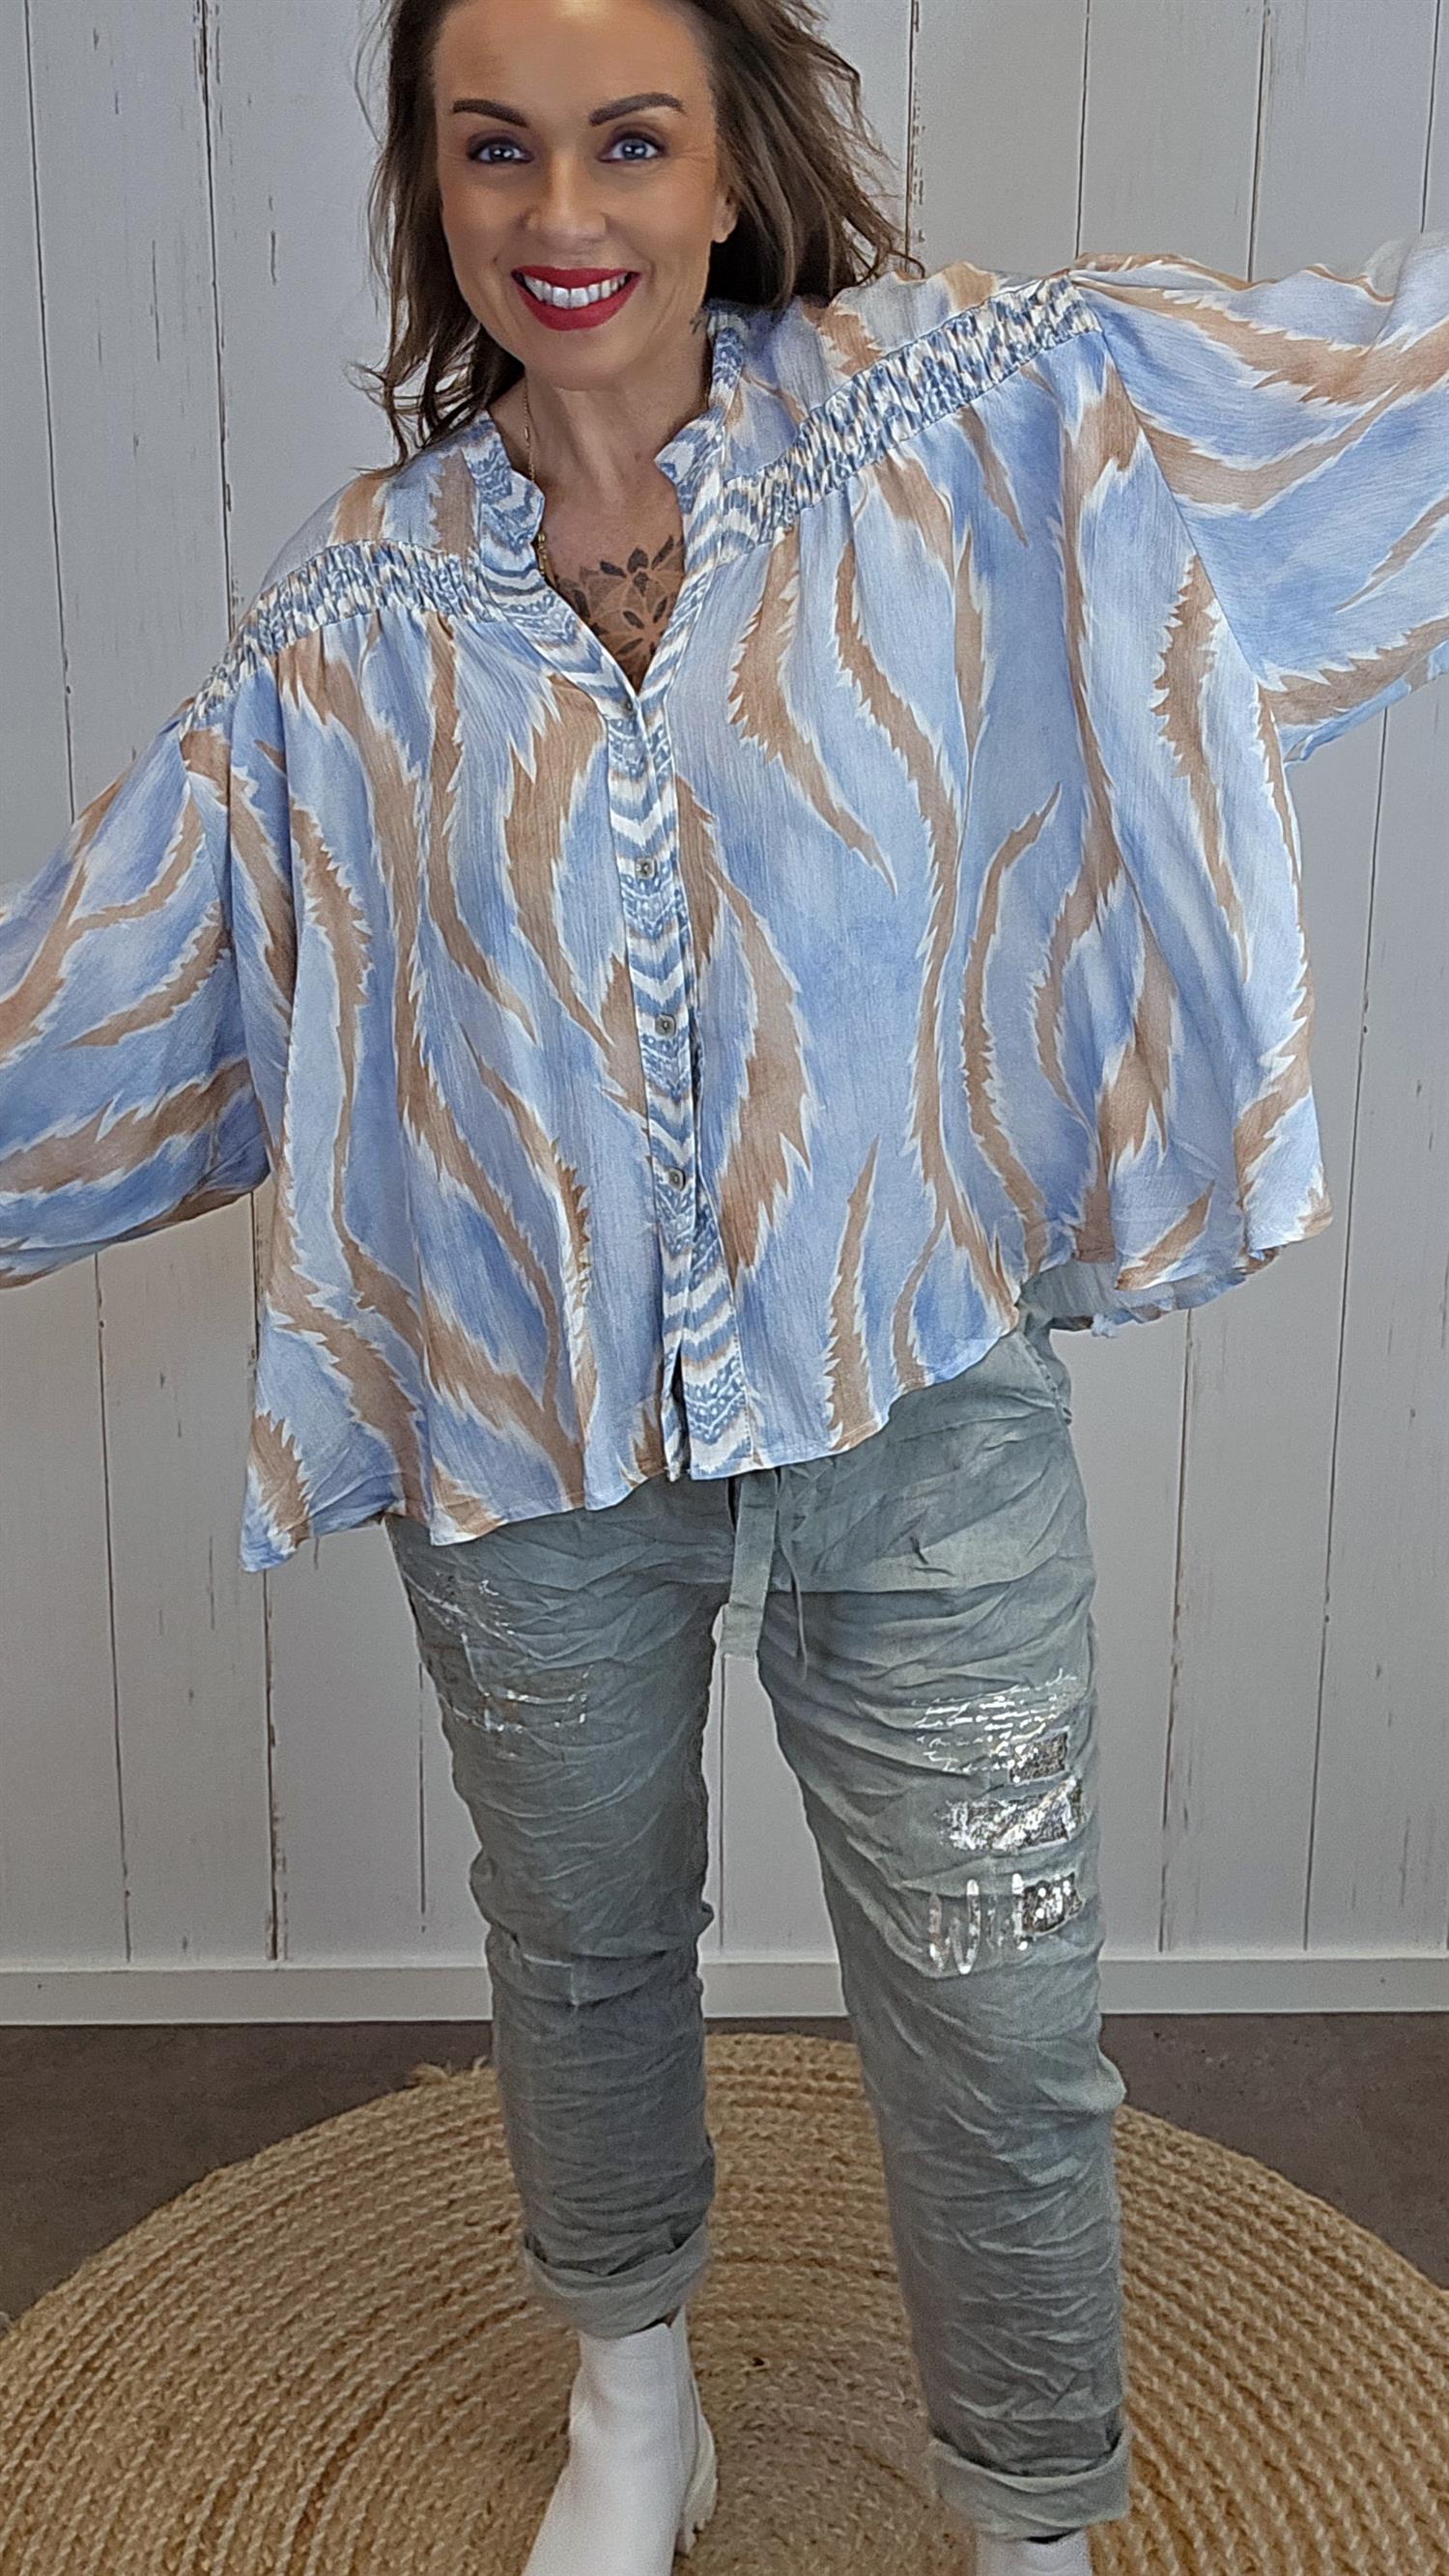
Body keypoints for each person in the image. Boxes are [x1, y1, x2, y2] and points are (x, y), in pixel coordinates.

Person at [3, 0, 1446, 2568]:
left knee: (999, 2010)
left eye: (627, 142)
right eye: (495, 149)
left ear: (728, 170)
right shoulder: (355, 620)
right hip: (524, 1434)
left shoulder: (969, 424)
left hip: (919, 1388)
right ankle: (631, 2404)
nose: (561, 215)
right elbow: (118, 983)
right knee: (578, 1948)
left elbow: (1360, 420)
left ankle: (1031, 2514)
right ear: (431, 186)